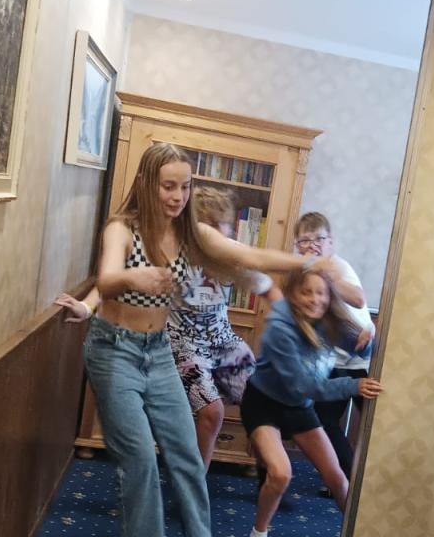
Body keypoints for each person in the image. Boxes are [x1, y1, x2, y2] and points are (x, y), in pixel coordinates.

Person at [81, 143, 331, 537]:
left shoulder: (192, 234)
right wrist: (133, 278)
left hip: (157, 350)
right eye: (168, 186)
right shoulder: (122, 229)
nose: (177, 196)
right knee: (140, 460)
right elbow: (107, 279)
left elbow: (249, 256)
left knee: (185, 452)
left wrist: (311, 262)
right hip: (114, 351)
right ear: (146, 184)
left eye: (184, 186)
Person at [59, 186, 280, 472]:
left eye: (221, 225)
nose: (216, 233)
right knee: (212, 412)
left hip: (222, 341)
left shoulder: (231, 257)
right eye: (208, 226)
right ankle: (195, 482)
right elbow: (115, 280)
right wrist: (86, 307)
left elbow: (269, 289)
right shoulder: (172, 254)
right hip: (181, 344)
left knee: (265, 396)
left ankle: (270, 471)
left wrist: (292, 328)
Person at [240, 267, 383, 537]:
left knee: (337, 478)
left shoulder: (329, 322)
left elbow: (361, 348)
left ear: (329, 297)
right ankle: (258, 535)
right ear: (293, 294)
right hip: (264, 403)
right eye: (306, 292)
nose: (314, 299)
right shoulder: (280, 329)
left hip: (298, 406)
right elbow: (303, 385)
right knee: (280, 473)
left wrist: (368, 336)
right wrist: (352, 386)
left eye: (321, 293)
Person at [290, 213, 375, 496]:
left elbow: (358, 299)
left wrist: (325, 273)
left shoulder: (337, 266)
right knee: (325, 421)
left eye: (319, 240)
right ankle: (348, 482)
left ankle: (364, 485)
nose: (312, 246)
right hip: (334, 359)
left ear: (331, 243)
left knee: (375, 426)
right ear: (297, 246)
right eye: (305, 241)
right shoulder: (302, 274)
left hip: (362, 357)